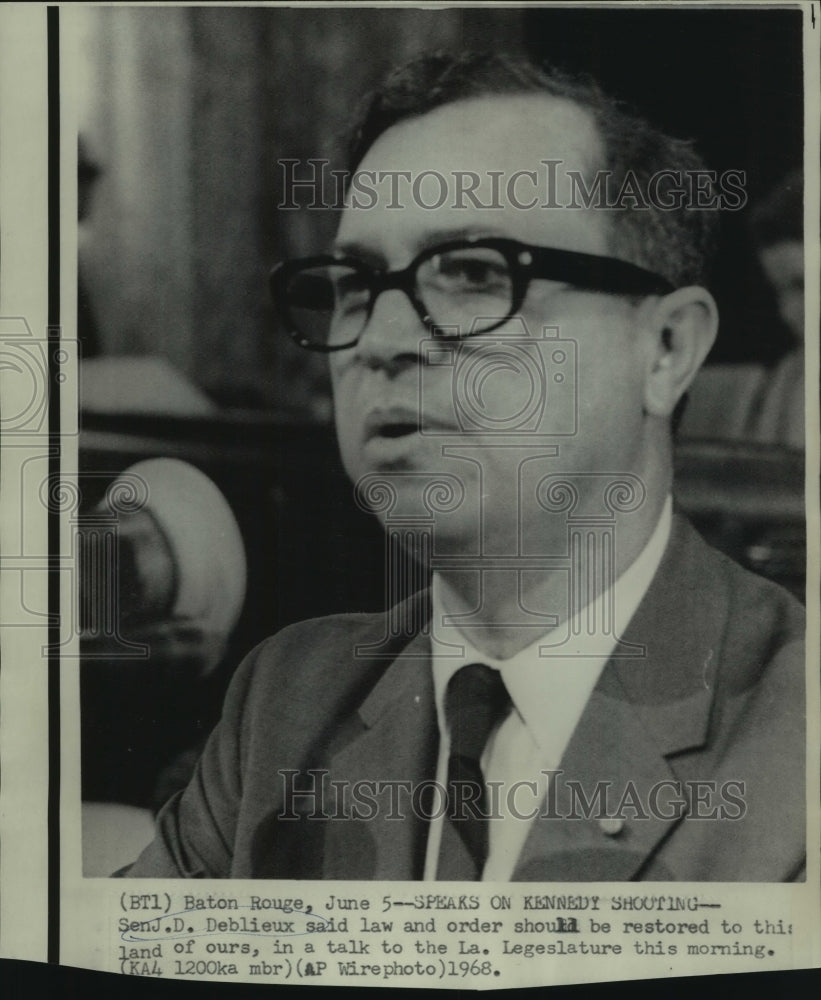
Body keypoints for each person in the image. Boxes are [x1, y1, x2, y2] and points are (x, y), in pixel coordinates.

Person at [122, 52, 805, 881]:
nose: (379, 341)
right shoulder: (283, 707)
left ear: (664, 349)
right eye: (353, 285)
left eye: (474, 275)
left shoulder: (793, 733)